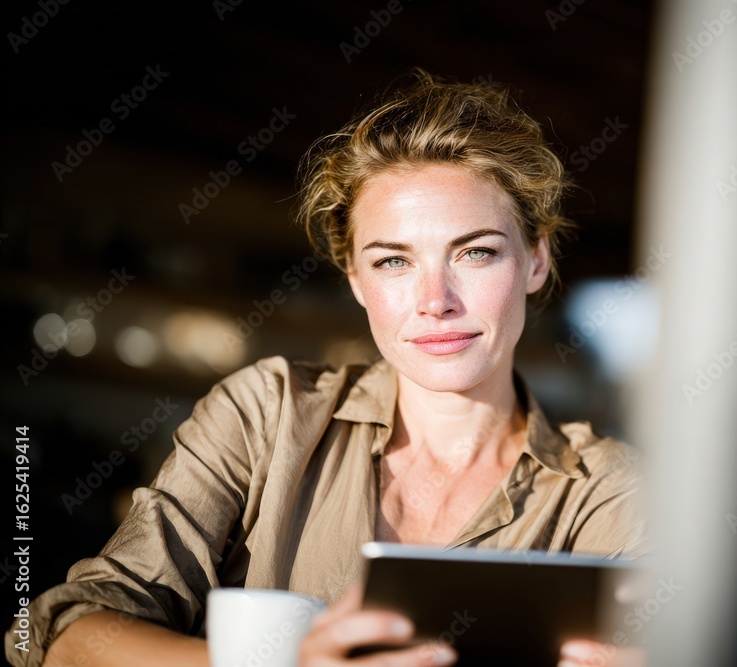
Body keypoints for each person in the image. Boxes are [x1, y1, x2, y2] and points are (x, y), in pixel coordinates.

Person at [6, 69, 648, 667]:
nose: (435, 302)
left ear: (535, 260)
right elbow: (58, 633)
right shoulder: (268, 414)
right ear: (356, 279)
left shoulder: (607, 492)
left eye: (476, 252)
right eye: (393, 261)